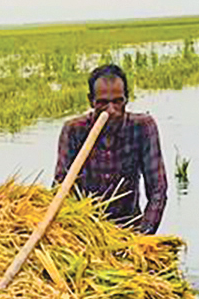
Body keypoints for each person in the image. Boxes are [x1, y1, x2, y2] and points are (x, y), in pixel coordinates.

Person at [56, 64, 168, 233]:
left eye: (117, 101)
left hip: (129, 228)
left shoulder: (143, 127)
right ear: (91, 101)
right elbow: (61, 189)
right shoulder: (74, 130)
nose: (111, 110)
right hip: (85, 231)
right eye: (102, 103)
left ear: (126, 99)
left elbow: (157, 191)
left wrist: (142, 239)